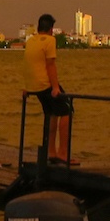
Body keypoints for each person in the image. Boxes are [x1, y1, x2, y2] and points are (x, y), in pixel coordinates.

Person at [24, 13, 73, 165]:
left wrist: (26, 87)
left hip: (33, 86)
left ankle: (51, 151)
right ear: (51, 29)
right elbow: (50, 65)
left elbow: (29, 64)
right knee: (67, 110)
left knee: (52, 113)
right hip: (45, 84)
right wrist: (56, 87)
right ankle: (63, 153)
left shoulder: (30, 41)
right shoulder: (50, 40)